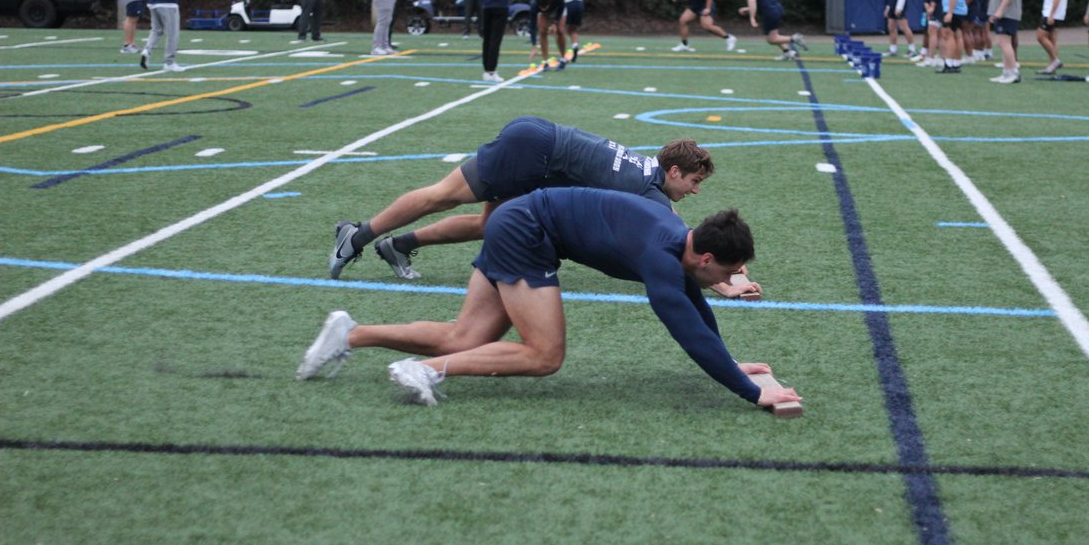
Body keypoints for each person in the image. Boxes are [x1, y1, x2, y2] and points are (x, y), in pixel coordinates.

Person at [300, 188, 801, 413]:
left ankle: (351, 333)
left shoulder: (680, 244)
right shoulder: (661, 258)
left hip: (520, 220)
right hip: (525, 231)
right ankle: (426, 371)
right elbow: (688, 331)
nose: (730, 282)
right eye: (730, 273)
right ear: (707, 255)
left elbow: (697, 305)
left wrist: (733, 363)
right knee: (544, 354)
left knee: (466, 338)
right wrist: (750, 391)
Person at [328, 116, 758, 300]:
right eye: (696, 182)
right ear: (676, 170)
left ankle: (397, 245)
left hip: (538, 138)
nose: (696, 191)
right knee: (443, 195)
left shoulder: (649, 170)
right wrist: (725, 281)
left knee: (489, 225)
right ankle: (358, 236)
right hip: (534, 151)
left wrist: (735, 268)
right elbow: (684, 248)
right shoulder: (651, 193)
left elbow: (683, 234)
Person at [736, 0, 805, 60]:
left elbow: (752, 1)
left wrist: (752, 17)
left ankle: (794, 38)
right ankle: (787, 52)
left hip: (769, 12)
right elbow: (764, 0)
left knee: (771, 39)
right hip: (776, 9)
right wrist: (748, 9)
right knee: (773, 35)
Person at [1035, 0, 1069, 75]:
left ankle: (1055, 60)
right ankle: (1052, 66)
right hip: (1055, 13)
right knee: (1052, 39)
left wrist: (1051, 14)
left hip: (1051, 13)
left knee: (1040, 36)